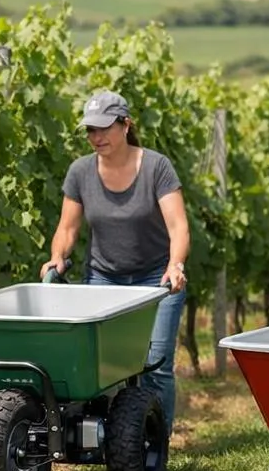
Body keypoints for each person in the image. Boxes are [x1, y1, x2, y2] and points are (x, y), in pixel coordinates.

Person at [41, 90, 191, 428]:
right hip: (103, 280)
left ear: (126, 125)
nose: (96, 137)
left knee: (155, 363)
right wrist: (57, 257)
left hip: (157, 282)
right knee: (104, 368)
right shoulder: (80, 172)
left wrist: (175, 264)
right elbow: (67, 228)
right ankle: (118, 438)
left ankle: (157, 443)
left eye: (104, 128)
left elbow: (178, 226)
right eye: (90, 130)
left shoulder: (156, 167)